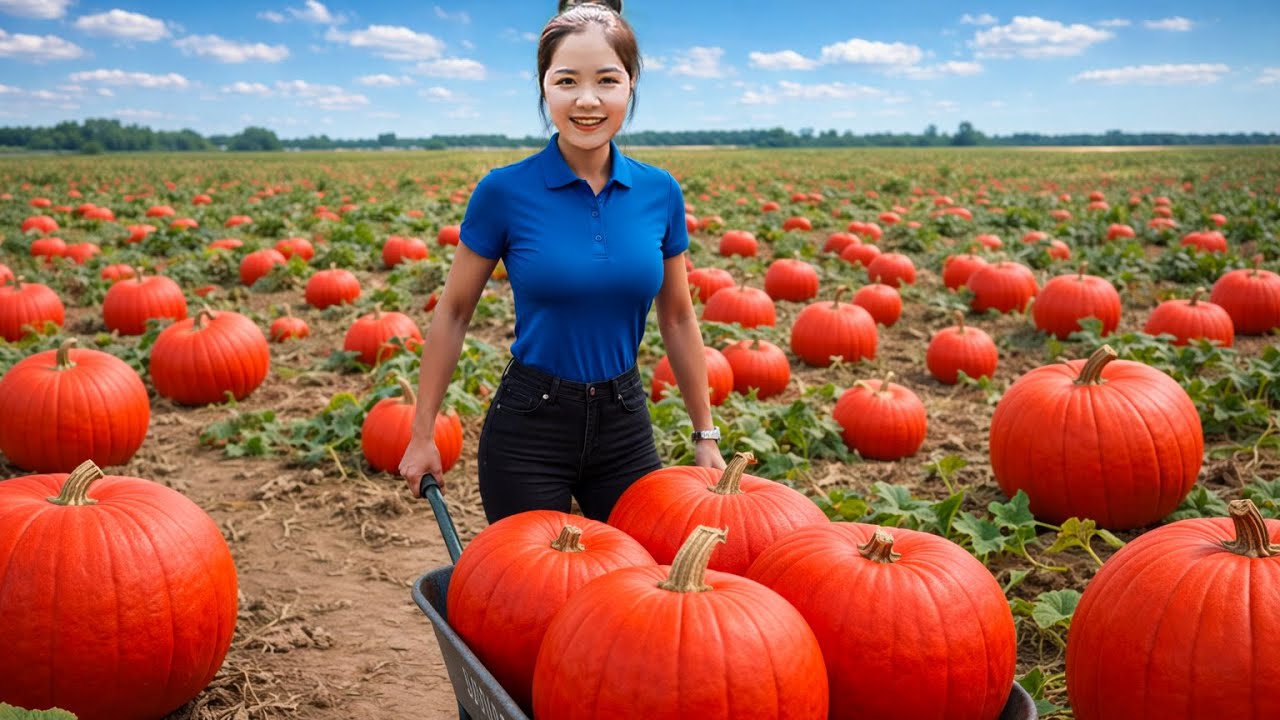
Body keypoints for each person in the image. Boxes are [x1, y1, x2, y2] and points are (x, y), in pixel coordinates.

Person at [399, 1, 726, 524]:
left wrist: (705, 435)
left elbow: (679, 318)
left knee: (634, 588)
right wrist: (422, 434)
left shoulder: (659, 192)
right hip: (530, 425)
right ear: (544, 87)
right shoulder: (504, 191)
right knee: (531, 596)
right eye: (567, 81)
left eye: (607, 80)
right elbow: (454, 312)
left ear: (631, 83)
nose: (588, 100)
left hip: (625, 422)